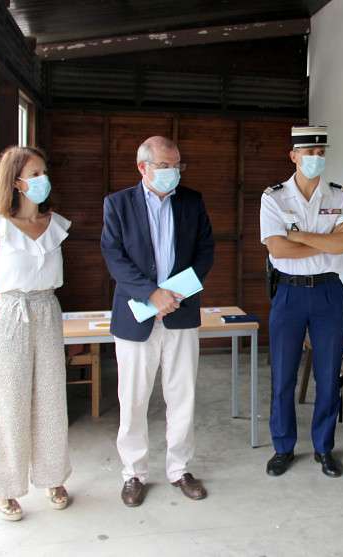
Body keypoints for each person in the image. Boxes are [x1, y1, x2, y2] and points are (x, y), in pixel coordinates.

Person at [101, 136, 214, 507]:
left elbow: (205, 251)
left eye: (177, 165)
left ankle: (179, 469)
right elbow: (114, 257)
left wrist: (174, 294)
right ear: (143, 167)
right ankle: (133, 473)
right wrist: (151, 294)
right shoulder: (118, 204)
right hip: (136, 315)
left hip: (181, 312)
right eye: (165, 166)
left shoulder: (192, 201)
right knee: (133, 398)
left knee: (182, 395)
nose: (173, 172)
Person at [0, 146, 72, 521]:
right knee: (8, 402)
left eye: (44, 172)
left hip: (47, 309)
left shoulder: (55, 224)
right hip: (11, 313)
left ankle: (52, 477)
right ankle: (6, 485)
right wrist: (12, 312)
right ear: (16, 182)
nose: (42, 179)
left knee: (51, 398)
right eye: (34, 174)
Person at [260, 125, 343, 478]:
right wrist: (326, 241)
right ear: (294, 156)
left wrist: (299, 235)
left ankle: (324, 448)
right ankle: (283, 447)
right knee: (283, 374)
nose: (316, 158)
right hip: (288, 292)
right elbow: (277, 249)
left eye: (321, 153)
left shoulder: (339, 195)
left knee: (328, 374)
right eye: (309, 153)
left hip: (328, 292)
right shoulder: (274, 198)